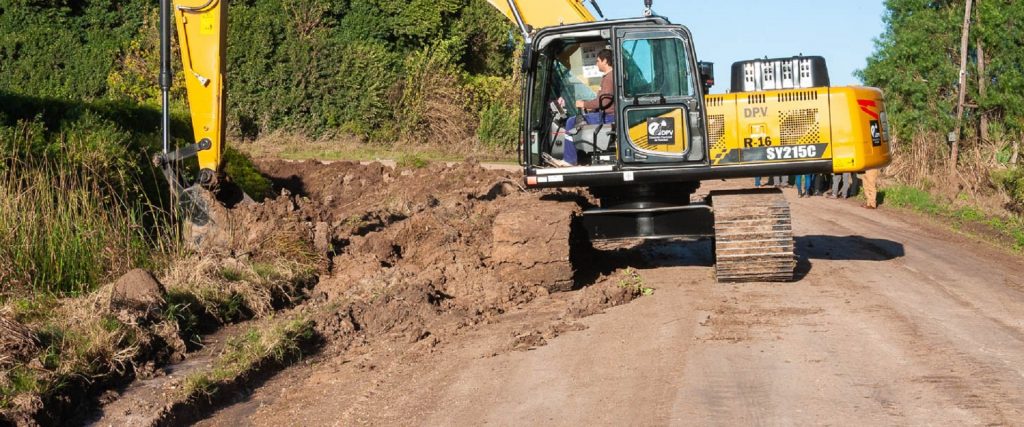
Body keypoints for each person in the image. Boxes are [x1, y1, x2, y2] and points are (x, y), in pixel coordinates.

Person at [576, 49, 615, 114]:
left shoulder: (608, 78)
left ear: (605, 61)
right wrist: (591, 106)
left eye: (598, 61)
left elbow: (604, 101)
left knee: (571, 121)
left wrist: (583, 104)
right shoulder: (610, 75)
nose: (596, 64)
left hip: (608, 116)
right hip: (606, 113)